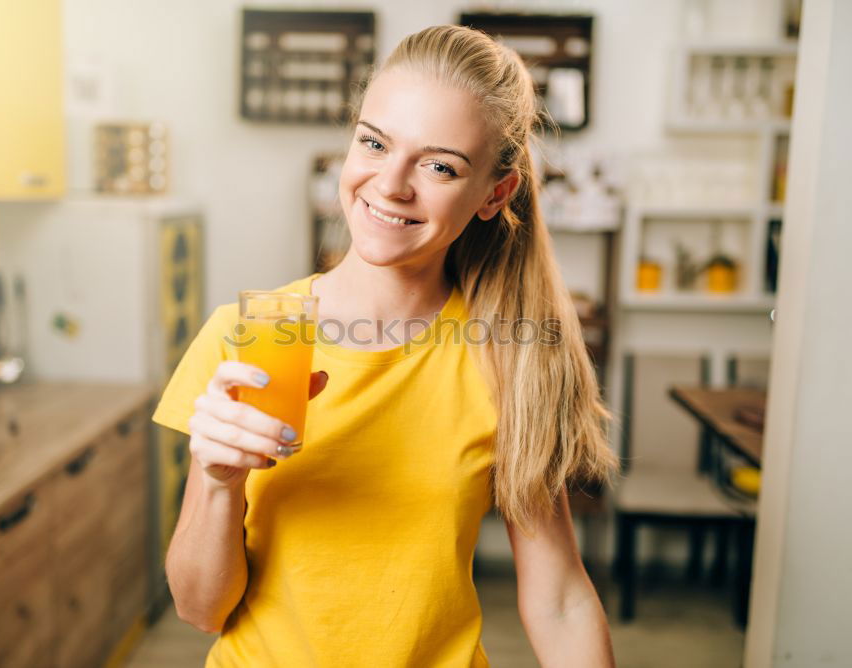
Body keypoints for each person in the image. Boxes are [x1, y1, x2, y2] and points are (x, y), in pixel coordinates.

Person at [152, 24, 619, 667]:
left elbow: (560, 599)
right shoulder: (247, 340)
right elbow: (200, 610)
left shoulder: (508, 355)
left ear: (494, 194)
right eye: (374, 142)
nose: (391, 184)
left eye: (439, 166)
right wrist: (218, 481)